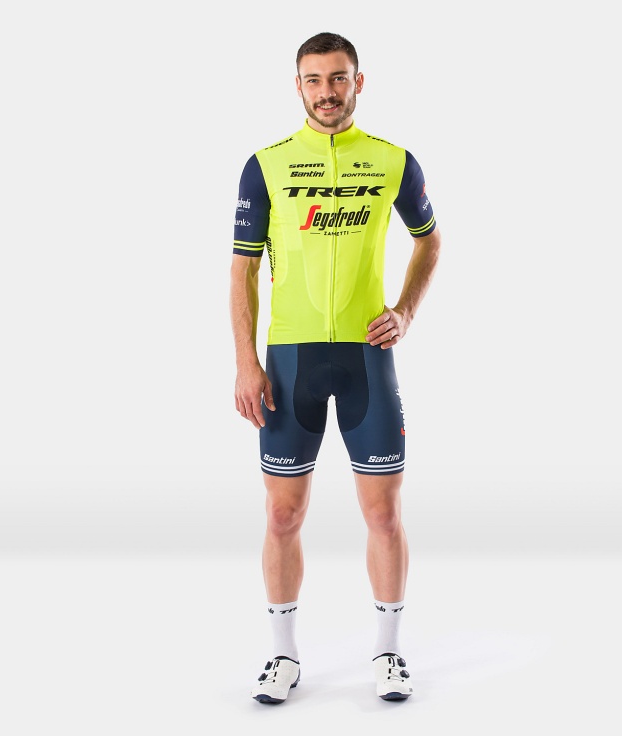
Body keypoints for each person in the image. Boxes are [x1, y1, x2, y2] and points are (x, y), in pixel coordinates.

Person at [230, 31, 441, 705]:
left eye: (339, 78)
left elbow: (430, 240)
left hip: (365, 360)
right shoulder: (265, 166)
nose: (327, 91)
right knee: (281, 514)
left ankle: (388, 651)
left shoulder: (392, 161)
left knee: (383, 514)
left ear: (358, 81)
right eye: (315, 80)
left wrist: (405, 310)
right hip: (288, 362)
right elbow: (242, 271)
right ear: (298, 86)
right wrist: (246, 362)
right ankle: (283, 656)